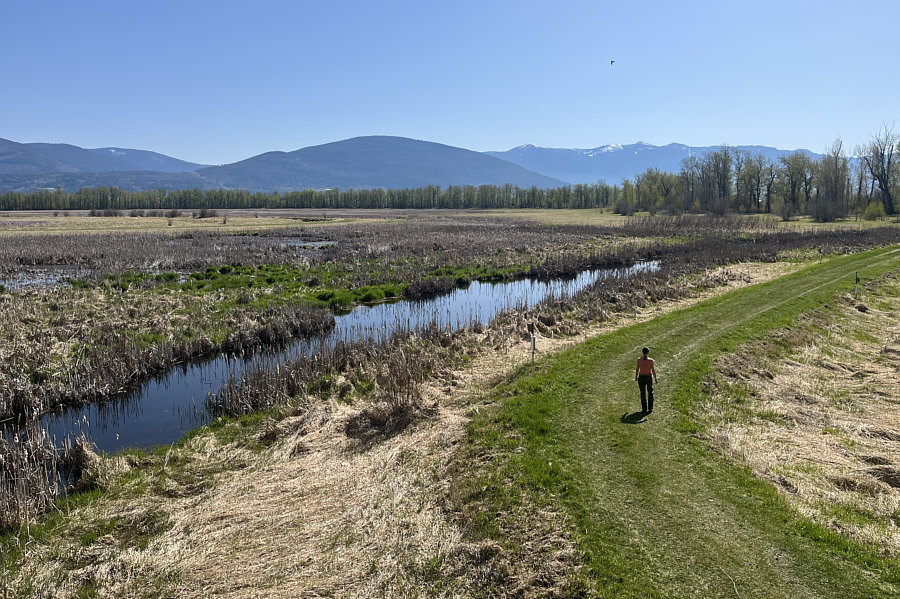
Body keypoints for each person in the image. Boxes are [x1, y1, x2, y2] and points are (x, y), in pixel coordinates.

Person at [634, 346, 658, 413]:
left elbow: (637, 369)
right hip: (648, 377)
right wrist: (655, 378)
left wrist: (636, 376)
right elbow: (653, 370)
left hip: (641, 377)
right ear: (648, 352)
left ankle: (644, 408)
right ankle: (650, 408)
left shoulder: (639, 360)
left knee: (642, 393)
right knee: (650, 392)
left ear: (642, 352)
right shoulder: (651, 361)